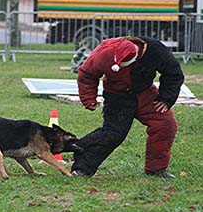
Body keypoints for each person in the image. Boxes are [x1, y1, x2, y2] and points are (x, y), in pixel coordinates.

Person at [71, 36, 184, 178]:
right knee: (114, 133)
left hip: (145, 93)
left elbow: (173, 73)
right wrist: (88, 98)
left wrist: (166, 99)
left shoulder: (156, 50)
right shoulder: (103, 52)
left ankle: (156, 169)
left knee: (165, 124)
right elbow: (87, 74)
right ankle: (82, 168)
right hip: (117, 96)